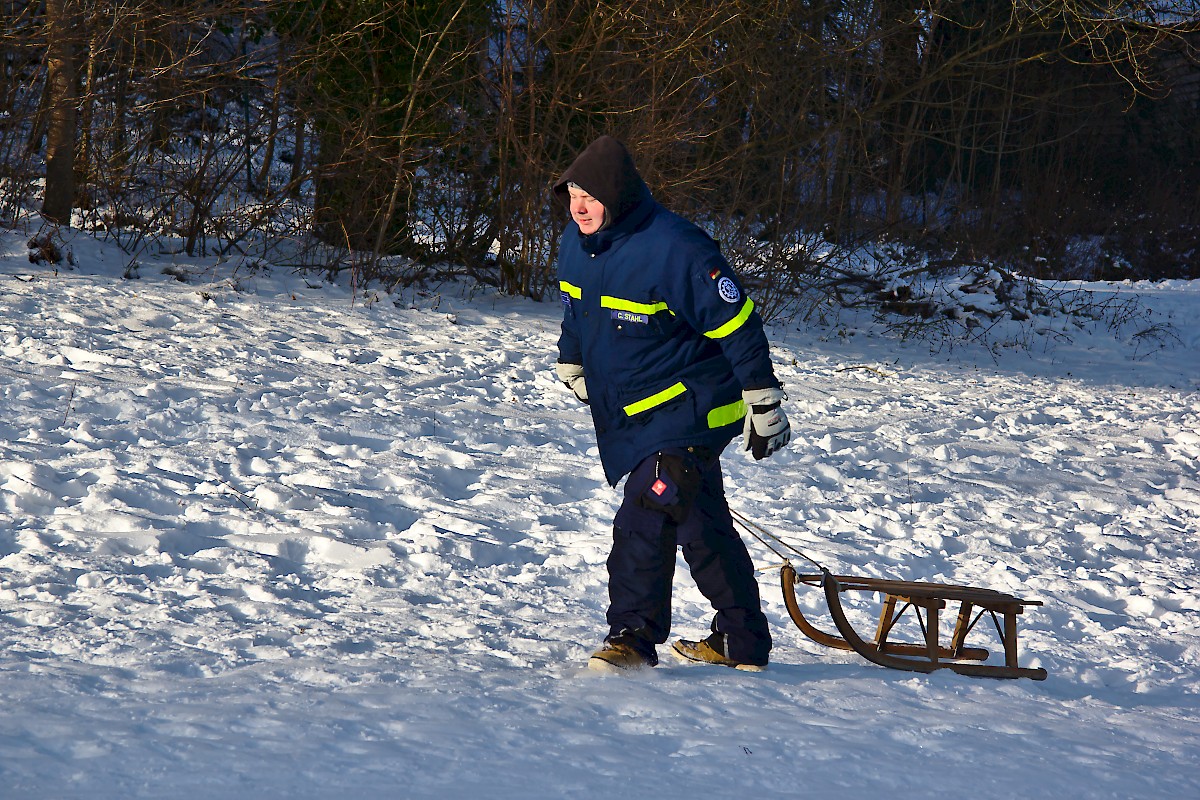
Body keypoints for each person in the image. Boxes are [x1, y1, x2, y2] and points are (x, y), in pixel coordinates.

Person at [551, 135, 791, 673]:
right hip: (635, 410)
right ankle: (741, 639)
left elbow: (737, 322)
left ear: (617, 194)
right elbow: (578, 306)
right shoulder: (576, 241)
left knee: (648, 511)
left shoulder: (676, 247)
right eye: (572, 194)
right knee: (701, 524)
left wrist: (762, 397)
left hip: (694, 407)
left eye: (590, 195)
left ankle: (632, 639)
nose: (579, 207)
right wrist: (572, 357)